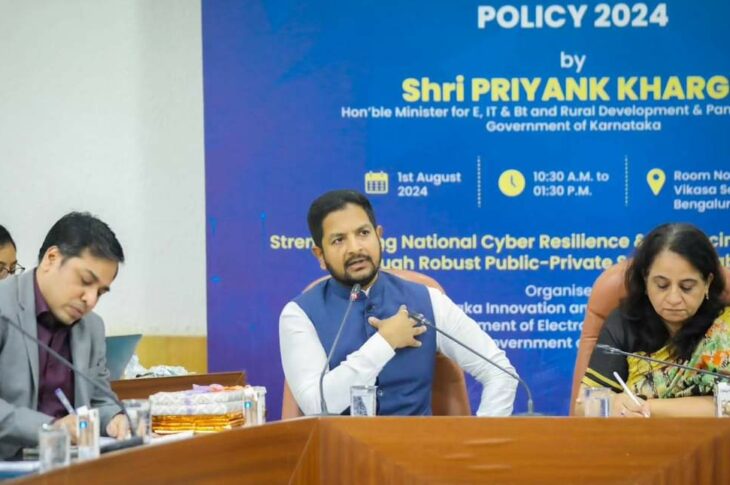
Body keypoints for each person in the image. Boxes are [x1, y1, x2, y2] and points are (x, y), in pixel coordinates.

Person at [279, 190, 518, 416]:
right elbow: (317, 404)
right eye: (339, 240)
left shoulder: (428, 300)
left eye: (363, 233)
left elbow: (500, 372)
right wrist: (385, 341)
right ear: (320, 255)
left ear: (379, 236)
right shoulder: (299, 315)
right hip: (340, 446)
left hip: (418, 445)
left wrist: (479, 440)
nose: (355, 248)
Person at [0, 212, 129, 459]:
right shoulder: (4, 306)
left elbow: (99, 400)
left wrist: (114, 418)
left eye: (100, 292)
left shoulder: (92, 327)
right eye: (85, 280)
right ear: (52, 259)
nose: (90, 300)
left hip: (67, 465)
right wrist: (50, 427)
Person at [577, 223, 730, 417]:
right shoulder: (626, 323)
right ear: (645, 280)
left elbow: (727, 405)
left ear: (707, 283)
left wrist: (646, 407)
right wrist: (613, 404)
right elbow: (581, 407)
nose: (673, 298)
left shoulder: (724, 327)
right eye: (662, 285)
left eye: (687, 287)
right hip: (636, 436)